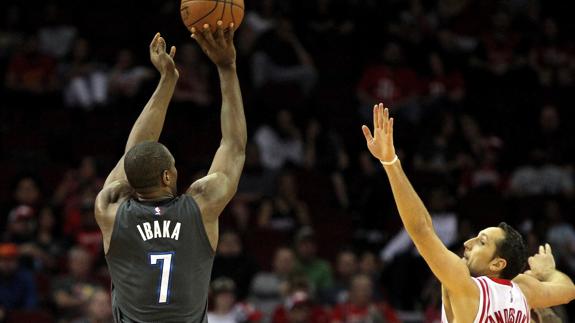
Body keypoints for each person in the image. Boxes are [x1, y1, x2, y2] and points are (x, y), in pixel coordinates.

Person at [361, 103, 575, 322]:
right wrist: (547, 271)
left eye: (482, 242)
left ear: (497, 264)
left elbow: (421, 230)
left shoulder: (468, 287)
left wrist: (390, 161)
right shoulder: (525, 290)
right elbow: (568, 291)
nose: (468, 243)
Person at [94, 21, 246, 323]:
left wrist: (166, 80)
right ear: (167, 176)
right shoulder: (201, 207)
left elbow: (134, 152)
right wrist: (227, 67)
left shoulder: (110, 210)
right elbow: (234, 146)